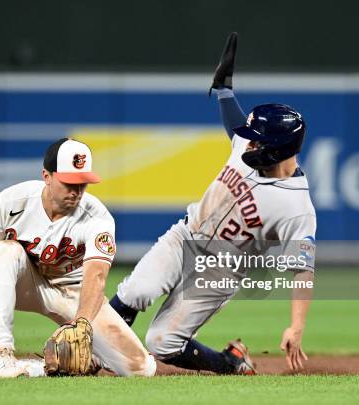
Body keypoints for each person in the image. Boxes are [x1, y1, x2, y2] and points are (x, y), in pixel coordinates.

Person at [109, 33, 317, 374]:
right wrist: (224, 90)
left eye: (256, 142)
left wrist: (296, 326)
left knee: (161, 342)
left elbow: (303, 270)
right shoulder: (250, 146)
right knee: (136, 290)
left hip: (220, 269)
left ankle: (230, 362)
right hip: (186, 237)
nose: (246, 144)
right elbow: (236, 125)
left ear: (278, 149)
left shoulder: (297, 207)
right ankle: (90, 353)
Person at [0, 138, 157, 377]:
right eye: (69, 182)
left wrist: (82, 324)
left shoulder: (98, 218)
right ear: (46, 176)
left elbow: (97, 276)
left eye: (83, 183)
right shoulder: (12, 202)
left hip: (76, 293)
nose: (77, 191)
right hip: (29, 286)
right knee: (4, 251)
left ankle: (82, 360)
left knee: (142, 369)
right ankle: (2, 354)